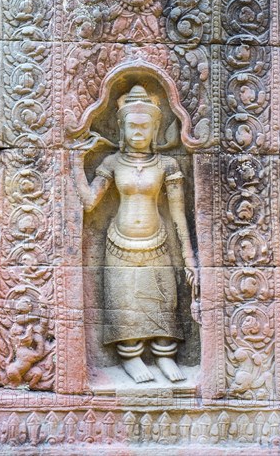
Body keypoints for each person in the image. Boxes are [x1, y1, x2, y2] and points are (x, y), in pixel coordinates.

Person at [73, 84, 199, 383]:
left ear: (156, 129)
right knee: (125, 302)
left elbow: (179, 214)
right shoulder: (112, 162)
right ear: (122, 128)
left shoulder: (167, 164)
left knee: (163, 301)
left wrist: (189, 257)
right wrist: (75, 161)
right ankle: (131, 356)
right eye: (133, 127)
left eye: (145, 127)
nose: (139, 133)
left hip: (158, 244)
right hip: (119, 245)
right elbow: (90, 203)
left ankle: (165, 354)